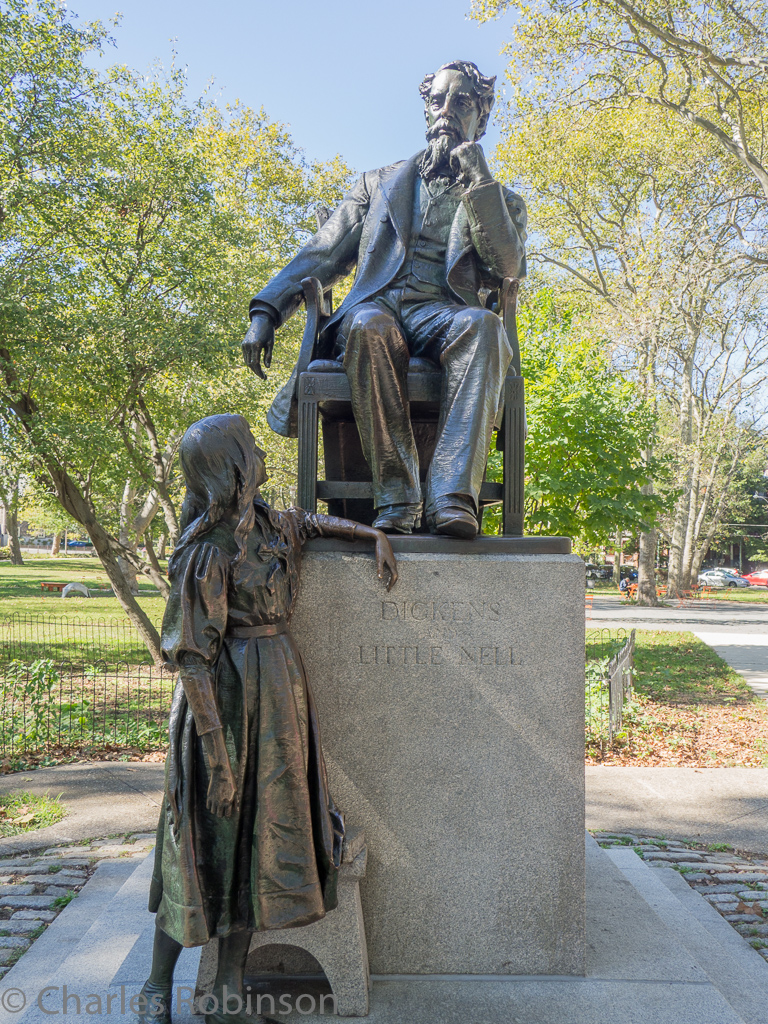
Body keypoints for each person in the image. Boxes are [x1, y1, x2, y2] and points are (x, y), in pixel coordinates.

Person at [137, 414, 397, 1024]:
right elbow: (193, 663)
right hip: (221, 710)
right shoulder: (207, 551)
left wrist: (372, 535)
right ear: (231, 469)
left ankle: (226, 991)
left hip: (278, 701)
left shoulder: (270, 522)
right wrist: (217, 761)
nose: (261, 453)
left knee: (255, 850)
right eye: (251, 448)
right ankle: (155, 987)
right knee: (200, 849)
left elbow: (310, 521)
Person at [243, 60, 527, 540]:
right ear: (425, 109)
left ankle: (453, 499)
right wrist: (266, 312)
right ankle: (396, 496)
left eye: (461, 103)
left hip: (443, 312)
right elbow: (321, 254)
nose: (446, 112)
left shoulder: (501, 200)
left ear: (481, 116)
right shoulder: (377, 185)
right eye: (438, 100)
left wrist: (479, 181)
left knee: (485, 327)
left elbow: (507, 268)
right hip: (377, 306)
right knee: (367, 326)